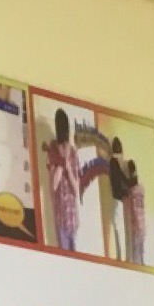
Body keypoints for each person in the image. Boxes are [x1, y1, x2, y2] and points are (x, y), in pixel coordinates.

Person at [42, 107, 111, 254]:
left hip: (72, 216)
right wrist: (61, 161)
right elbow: (54, 185)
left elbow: (76, 188)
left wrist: (67, 164)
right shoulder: (52, 149)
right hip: (60, 216)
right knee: (63, 256)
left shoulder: (73, 153)